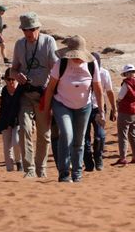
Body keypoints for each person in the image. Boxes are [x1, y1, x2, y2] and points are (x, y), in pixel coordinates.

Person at [42, 36, 103, 183]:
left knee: (79, 140)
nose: (77, 59)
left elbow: (98, 89)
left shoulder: (91, 64)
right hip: (62, 104)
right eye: (74, 56)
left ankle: (77, 174)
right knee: (67, 135)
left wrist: (102, 111)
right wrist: (46, 111)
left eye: (79, 56)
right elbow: (50, 89)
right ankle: (64, 173)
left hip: (84, 106)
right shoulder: (61, 63)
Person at [10, 12, 58, 179]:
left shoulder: (48, 42)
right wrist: (17, 76)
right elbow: (13, 68)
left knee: (44, 135)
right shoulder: (19, 44)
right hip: (25, 94)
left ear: (38, 28)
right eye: (25, 30)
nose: (28, 33)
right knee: (24, 129)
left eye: (31, 29)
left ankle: (41, 168)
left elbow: (55, 68)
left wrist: (53, 91)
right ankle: (29, 169)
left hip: (43, 94)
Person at [0, 68, 24, 172]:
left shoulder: (20, 90)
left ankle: (19, 161)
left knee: (16, 141)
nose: (11, 82)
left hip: (17, 120)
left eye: (13, 79)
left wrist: (32, 123)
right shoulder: (3, 90)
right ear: (5, 80)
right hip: (5, 120)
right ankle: (10, 169)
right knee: (7, 145)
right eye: (8, 79)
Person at [84, 52, 116, 172]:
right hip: (84, 107)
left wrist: (114, 108)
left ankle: (98, 158)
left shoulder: (104, 73)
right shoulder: (83, 71)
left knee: (100, 136)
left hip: (99, 108)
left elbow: (109, 91)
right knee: (85, 137)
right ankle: (88, 162)